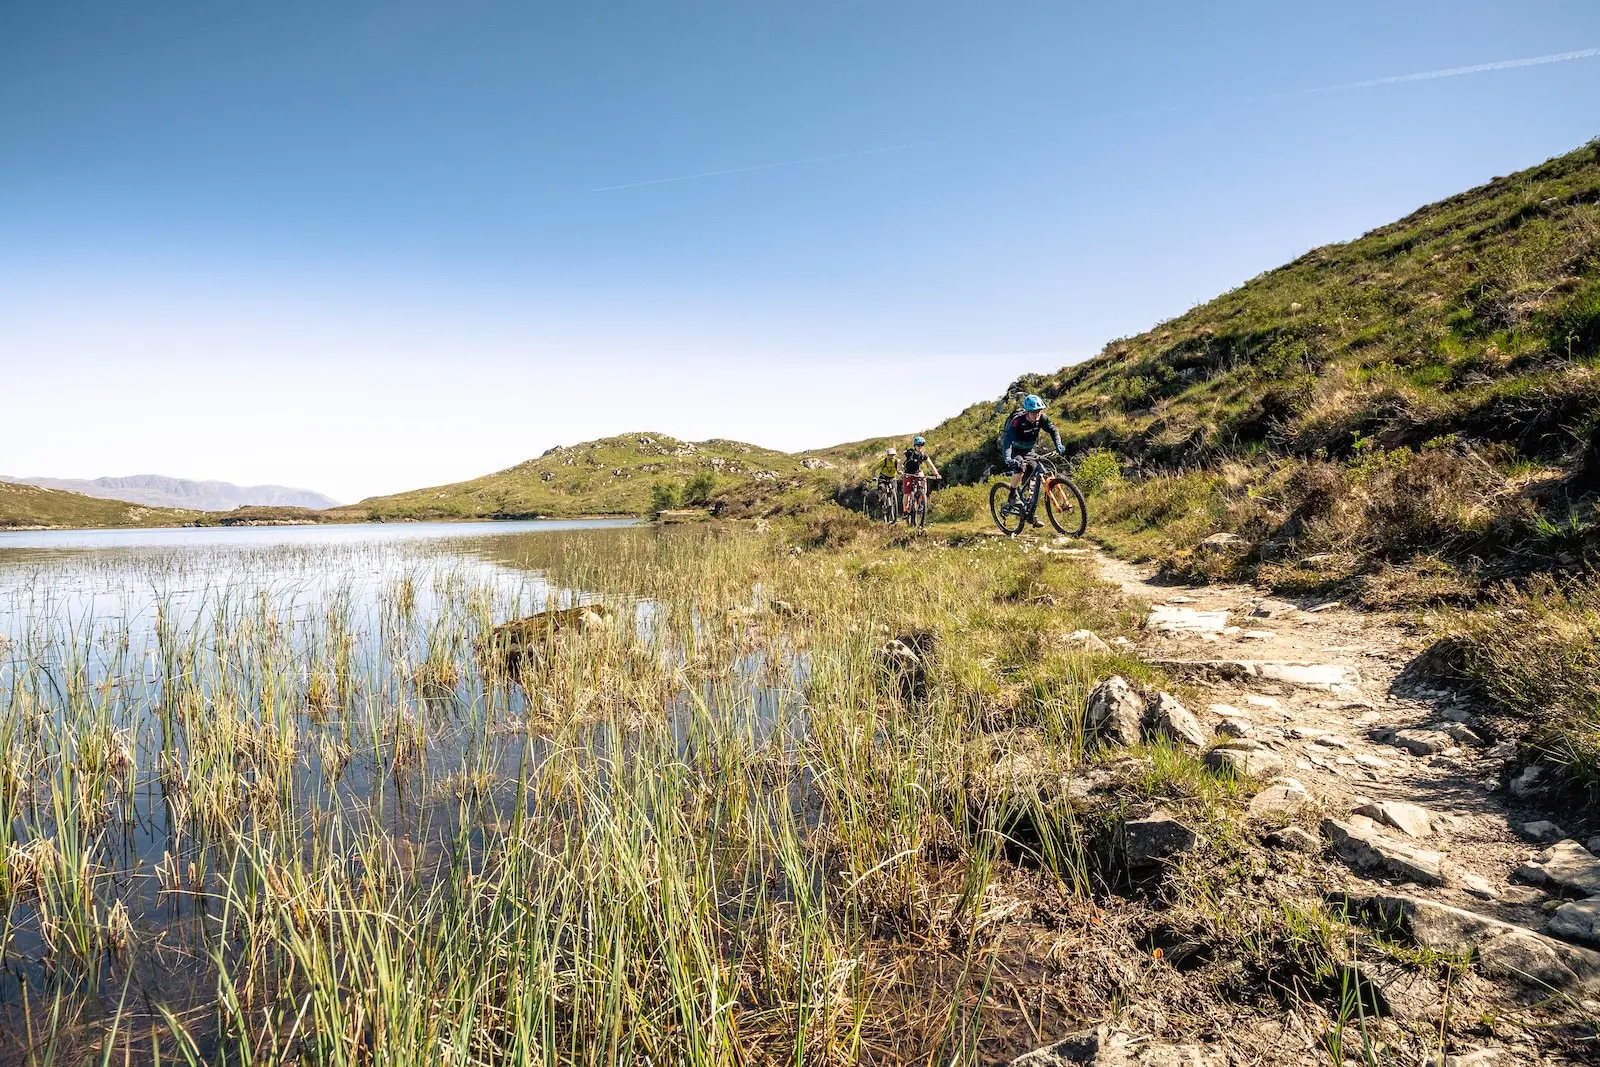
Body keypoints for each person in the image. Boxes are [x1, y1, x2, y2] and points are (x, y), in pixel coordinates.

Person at [998, 395, 1064, 526]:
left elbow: (1053, 431)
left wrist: (1058, 444)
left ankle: (1030, 514)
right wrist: (1008, 458)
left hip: (1029, 451)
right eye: (1034, 412)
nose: (1037, 415)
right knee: (1020, 467)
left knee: (1037, 473)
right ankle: (1012, 495)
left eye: (1039, 411)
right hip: (1015, 451)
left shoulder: (1042, 419)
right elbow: (1007, 441)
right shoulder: (1017, 421)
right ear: (1027, 412)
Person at [900, 436, 941, 511]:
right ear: (915, 446)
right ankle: (905, 510)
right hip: (907, 473)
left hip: (917, 472)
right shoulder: (909, 453)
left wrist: (936, 474)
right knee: (907, 493)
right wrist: (899, 471)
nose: (920, 447)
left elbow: (931, 465)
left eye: (922, 445)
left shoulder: (923, 455)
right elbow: (900, 463)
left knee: (923, 481)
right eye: (918, 445)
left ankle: (920, 502)